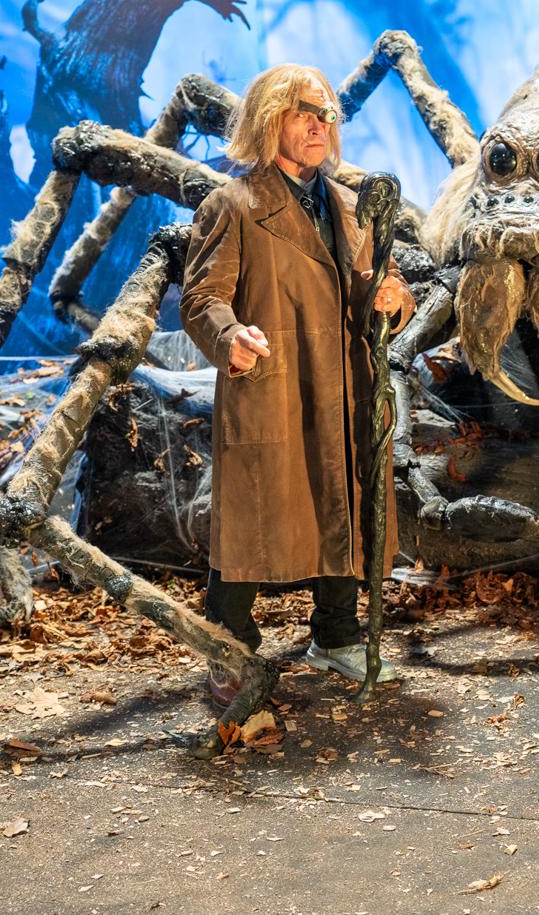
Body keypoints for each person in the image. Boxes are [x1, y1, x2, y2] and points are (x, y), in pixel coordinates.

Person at [180, 63, 415, 704]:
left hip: (346, 386)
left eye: (327, 114)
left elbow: (382, 286)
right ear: (268, 120)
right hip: (274, 385)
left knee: (343, 501)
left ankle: (336, 635)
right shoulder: (234, 205)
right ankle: (227, 646)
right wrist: (230, 337)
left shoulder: (352, 206)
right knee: (252, 518)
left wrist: (393, 299)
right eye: (304, 112)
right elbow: (202, 298)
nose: (320, 125)